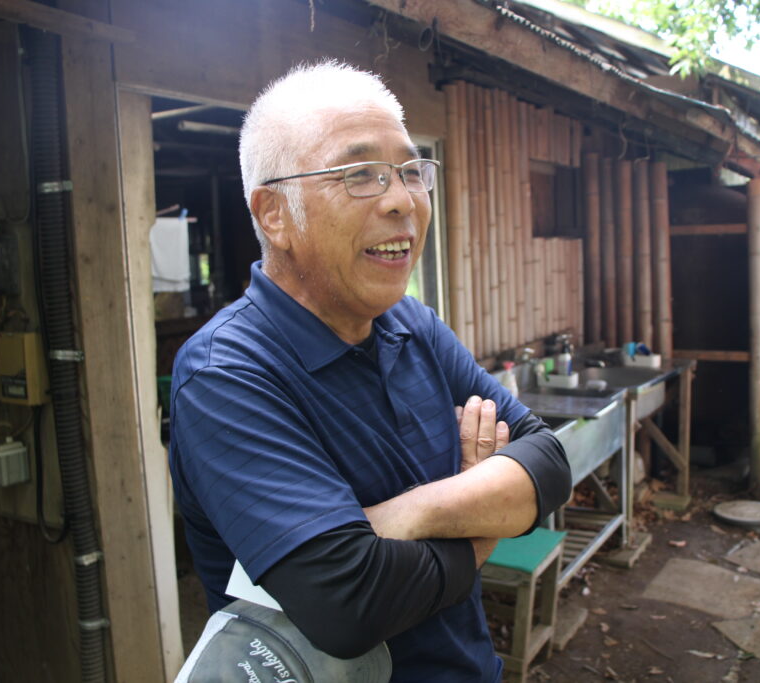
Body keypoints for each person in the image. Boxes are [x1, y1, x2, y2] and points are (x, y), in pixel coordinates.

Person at [168, 60, 572, 682]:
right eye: (361, 175)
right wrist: (484, 508)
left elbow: (547, 461)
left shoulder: (413, 326)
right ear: (275, 213)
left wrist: (406, 516)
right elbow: (350, 606)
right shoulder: (227, 373)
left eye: (412, 171)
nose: (402, 200)